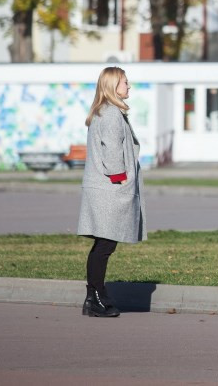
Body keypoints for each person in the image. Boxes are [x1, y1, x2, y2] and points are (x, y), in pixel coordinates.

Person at [76, 66, 146, 318]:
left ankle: (95, 296)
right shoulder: (112, 114)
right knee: (104, 246)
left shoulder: (103, 112)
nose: (129, 86)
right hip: (110, 190)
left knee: (102, 245)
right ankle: (95, 297)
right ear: (113, 85)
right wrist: (120, 179)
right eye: (125, 82)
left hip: (105, 188)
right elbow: (113, 151)